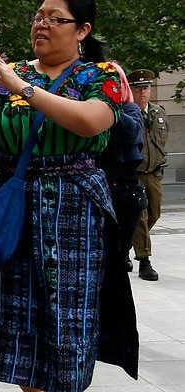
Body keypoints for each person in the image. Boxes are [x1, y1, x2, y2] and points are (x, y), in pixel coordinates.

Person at [0, 0, 138, 392]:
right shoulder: (7, 72)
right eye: (37, 16)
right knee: (15, 320)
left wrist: (24, 89)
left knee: (68, 323)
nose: (40, 24)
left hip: (75, 208)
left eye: (53, 17)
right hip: (16, 205)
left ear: (82, 29)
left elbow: (91, 123)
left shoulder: (101, 74)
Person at [96, 63, 144, 272]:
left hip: (126, 185)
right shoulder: (94, 109)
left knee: (121, 249)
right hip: (103, 181)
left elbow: (133, 133)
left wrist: (112, 108)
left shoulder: (129, 108)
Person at [129, 68, 169, 281]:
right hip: (133, 174)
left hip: (154, 173)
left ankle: (127, 241)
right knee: (140, 217)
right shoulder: (125, 112)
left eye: (146, 88)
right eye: (138, 89)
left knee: (154, 214)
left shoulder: (158, 113)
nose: (142, 92)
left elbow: (162, 141)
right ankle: (144, 261)